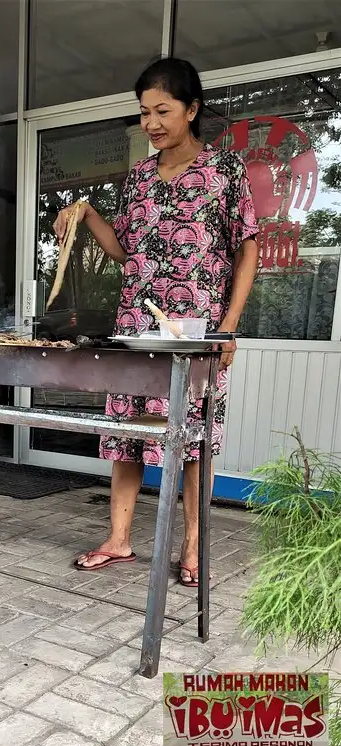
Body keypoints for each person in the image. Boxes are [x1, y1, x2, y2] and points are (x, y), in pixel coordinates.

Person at [53, 57, 259, 586]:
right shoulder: (140, 176)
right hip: (136, 328)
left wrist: (227, 327)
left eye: (162, 110)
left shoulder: (225, 172)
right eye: (144, 113)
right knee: (125, 435)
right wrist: (87, 214)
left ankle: (192, 546)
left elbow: (248, 250)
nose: (151, 123)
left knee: (190, 443)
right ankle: (120, 539)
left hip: (194, 333)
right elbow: (126, 253)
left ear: (191, 109)